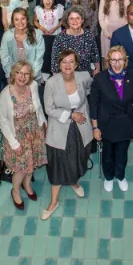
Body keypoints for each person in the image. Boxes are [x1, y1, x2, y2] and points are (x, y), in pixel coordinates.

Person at [41, 50, 94, 219]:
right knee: (58, 163)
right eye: (64, 61)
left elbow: (89, 92)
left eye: (71, 61)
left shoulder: (84, 77)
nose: (67, 65)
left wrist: (81, 114)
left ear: (76, 64)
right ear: (59, 64)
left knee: (79, 157)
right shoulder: (51, 82)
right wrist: (71, 115)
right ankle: (54, 201)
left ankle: (73, 182)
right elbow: (49, 109)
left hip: (81, 126)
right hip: (59, 127)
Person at [0, 61, 47, 210]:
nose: (22, 76)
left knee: (32, 164)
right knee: (20, 169)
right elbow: (3, 122)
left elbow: (38, 108)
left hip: (34, 132)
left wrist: (44, 124)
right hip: (16, 137)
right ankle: (16, 190)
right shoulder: (5, 95)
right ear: (13, 74)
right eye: (19, 72)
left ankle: (27, 184)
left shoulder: (33, 86)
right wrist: (14, 144)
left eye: (26, 73)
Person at [89, 46, 133, 192]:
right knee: (108, 155)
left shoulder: (131, 75)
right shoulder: (100, 78)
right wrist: (95, 127)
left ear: (125, 61)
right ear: (109, 62)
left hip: (125, 123)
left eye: (120, 60)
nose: (117, 64)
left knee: (122, 154)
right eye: (113, 60)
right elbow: (93, 104)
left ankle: (120, 176)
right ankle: (109, 177)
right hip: (107, 123)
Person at [50, 7, 101, 74]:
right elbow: (54, 61)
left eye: (78, 18)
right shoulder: (60, 37)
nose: (75, 21)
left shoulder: (89, 36)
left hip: (85, 74)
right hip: (66, 75)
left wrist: (97, 69)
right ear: (67, 21)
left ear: (82, 20)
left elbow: (95, 55)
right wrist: (56, 78)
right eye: (71, 18)